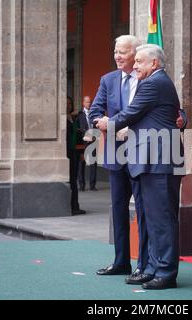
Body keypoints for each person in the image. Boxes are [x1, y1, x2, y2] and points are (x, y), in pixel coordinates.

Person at [95, 44, 184, 290]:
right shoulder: (156, 81)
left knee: (162, 219)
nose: (134, 66)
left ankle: (165, 273)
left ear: (154, 63)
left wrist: (107, 122)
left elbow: (130, 113)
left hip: (159, 159)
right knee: (155, 219)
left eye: (139, 62)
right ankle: (155, 268)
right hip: (152, 159)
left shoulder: (153, 83)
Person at [89, 35, 148, 279]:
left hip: (143, 154)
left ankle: (144, 265)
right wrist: (104, 124)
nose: (117, 56)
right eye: (115, 51)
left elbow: (172, 110)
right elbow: (94, 111)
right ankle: (121, 261)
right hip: (116, 154)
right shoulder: (108, 80)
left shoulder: (148, 79)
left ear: (136, 54)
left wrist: (182, 120)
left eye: (122, 51)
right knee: (119, 209)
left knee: (144, 211)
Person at [66, 96, 86, 215]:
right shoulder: (62, 119)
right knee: (70, 180)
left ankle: (75, 206)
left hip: (75, 153)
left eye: (69, 103)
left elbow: (79, 135)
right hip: (66, 153)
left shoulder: (75, 119)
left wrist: (82, 152)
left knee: (74, 179)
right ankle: (70, 206)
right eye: (66, 103)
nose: (68, 105)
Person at [78, 96, 98, 191]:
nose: (89, 104)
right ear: (83, 103)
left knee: (93, 164)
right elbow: (79, 129)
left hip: (93, 142)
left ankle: (92, 185)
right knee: (81, 164)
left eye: (90, 102)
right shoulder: (79, 115)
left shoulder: (93, 114)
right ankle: (82, 185)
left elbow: (96, 127)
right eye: (87, 102)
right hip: (83, 143)